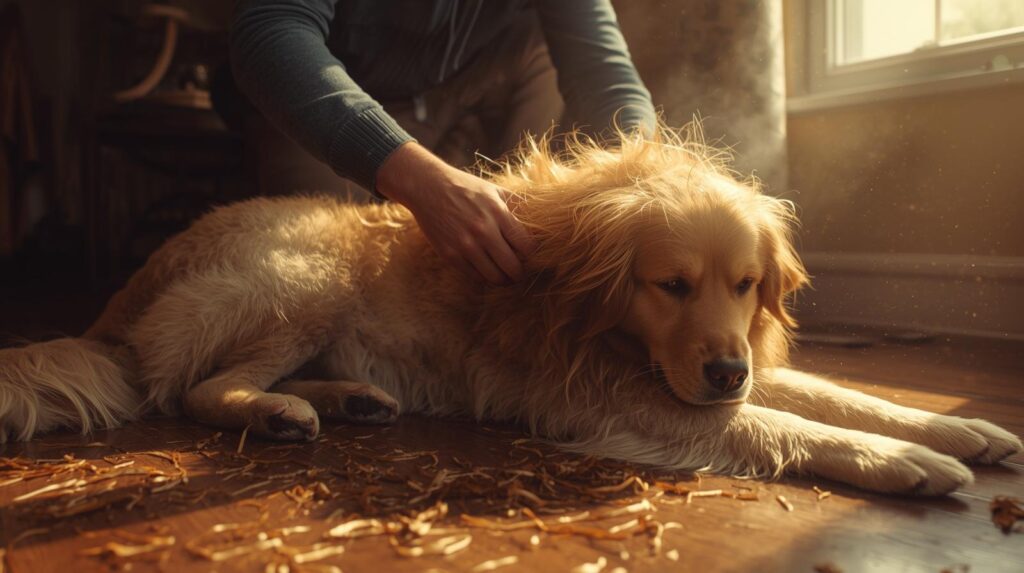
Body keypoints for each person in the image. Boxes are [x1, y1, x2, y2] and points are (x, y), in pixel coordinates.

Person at [222, 0, 656, 285]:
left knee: (541, 50)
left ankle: (509, 240)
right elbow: (270, 31)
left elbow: (604, 74)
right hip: (332, 102)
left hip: (461, 94)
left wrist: (649, 175)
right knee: (336, 269)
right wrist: (424, 183)